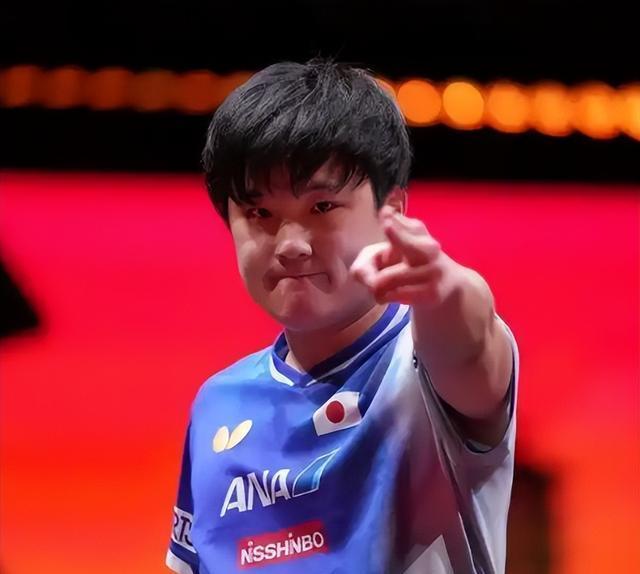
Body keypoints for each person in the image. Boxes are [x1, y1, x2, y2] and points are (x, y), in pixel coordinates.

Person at [166, 58, 518, 574]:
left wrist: (445, 287)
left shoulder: (423, 363)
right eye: (260, 213)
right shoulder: (217, 403)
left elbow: (469, 344)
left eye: (322, 207)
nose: (290, 244)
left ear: (393, 210)